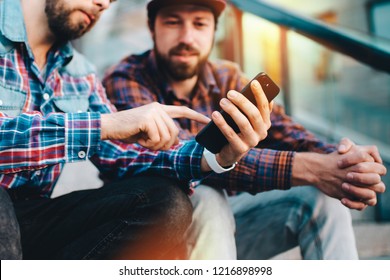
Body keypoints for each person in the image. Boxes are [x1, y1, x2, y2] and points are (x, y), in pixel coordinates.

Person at [102, 0, 387, 259]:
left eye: (199, 23)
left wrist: (345, 161)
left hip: (228, 233)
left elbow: (290, 132)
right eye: (173, 22)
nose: (187, 37)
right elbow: (180, 155)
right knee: (205, 198)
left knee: (324, 199)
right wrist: (311, 168)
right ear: (152, 29)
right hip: (154, 239)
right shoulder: (125, 78)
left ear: (214, 31)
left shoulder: (227, 76)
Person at [0, 0, 273, 259]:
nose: (103, 4)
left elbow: (124, 155)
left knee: (166, 202)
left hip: (35, 222)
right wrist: (106, 124)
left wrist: (215, 157)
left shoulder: (81, 75)